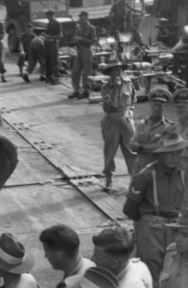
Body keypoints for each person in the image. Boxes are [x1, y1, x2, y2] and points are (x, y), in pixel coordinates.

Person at [123, 129, 188, 288]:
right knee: (151, 279)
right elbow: (129, 209)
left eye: (178, 152)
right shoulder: (145, 176)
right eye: (170, 153)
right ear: (161, 155)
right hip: (151, 231)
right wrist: (146, 225)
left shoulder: (183, 174)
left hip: (175, 230)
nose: (176, 157)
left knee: (174, 275)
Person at [100, 59, 137, 192]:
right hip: (112, 120)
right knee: (110, 152)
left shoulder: (128, 83)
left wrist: (130, 111)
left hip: (126, 120)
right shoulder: (106, 87)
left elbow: (133, 98)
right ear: (110, 73)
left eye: (121, 69)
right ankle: (108, 180)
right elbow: (110, 104)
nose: (119, 72)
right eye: (116, 70)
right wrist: (115, 88)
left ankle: (135, 181)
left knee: (131, 151)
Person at [130, 86, 174, 174]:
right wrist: (146, 147)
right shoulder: (142, 124)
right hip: (140, 168)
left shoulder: (169, 127)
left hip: (159, 171)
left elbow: (161, 148)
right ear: (151, 104)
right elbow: (132, 145)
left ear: (165, 107)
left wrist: (141, 147)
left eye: (160, 106)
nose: (157, 109)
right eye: (155, 105)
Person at [68, 12, 97, 100]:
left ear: (87, 18)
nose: (81, 20)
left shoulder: (91, 28)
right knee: (75, 71)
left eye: (83, 18)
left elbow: (94, 41)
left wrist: (82, 39)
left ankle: (86, 91)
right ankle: (77, 90)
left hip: (87, 50)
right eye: (80, 18)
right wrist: (75, 40)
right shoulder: (79, 28)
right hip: (80, 49)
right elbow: (76, 37)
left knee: (86, 72)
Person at [44, 10, 62, 85]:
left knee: (54, 61)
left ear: (52, 15)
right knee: (48, 61)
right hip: (48, 44)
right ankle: (50, 77)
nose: (47, 18)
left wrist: (50, 37)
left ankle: (56, 78)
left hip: (54, 44)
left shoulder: (57, 24)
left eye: (48, 16)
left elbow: (60, 36)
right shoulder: (49, 23)